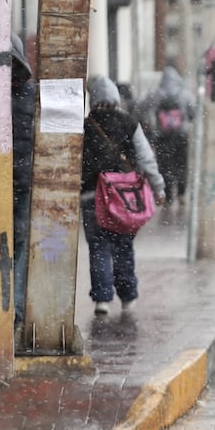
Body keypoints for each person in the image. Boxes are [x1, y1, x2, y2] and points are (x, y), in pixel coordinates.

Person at [81, 76, 166, 315]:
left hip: (92, 196)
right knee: (123, 246)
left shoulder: (85, 126)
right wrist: (158, 187)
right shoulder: (129, 123)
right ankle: (128, 296)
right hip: (124, 197)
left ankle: (102, 300)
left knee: (98, 246)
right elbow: (146, 158)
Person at [135, 66, 195, 208]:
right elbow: (193, 112)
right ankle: (181, 193)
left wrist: (148, 124)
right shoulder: (185, 94)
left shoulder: (155, 93)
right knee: (181, 165)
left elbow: (140, 109)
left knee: (164, 166)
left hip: (162, 137)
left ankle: (168, 196)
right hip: (181, 136)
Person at [11, 34, 35, 338]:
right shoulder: (32, 94)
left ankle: (6, 307)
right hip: (25, 180)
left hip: (5, 179)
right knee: (18, 245)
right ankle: (13, 310)